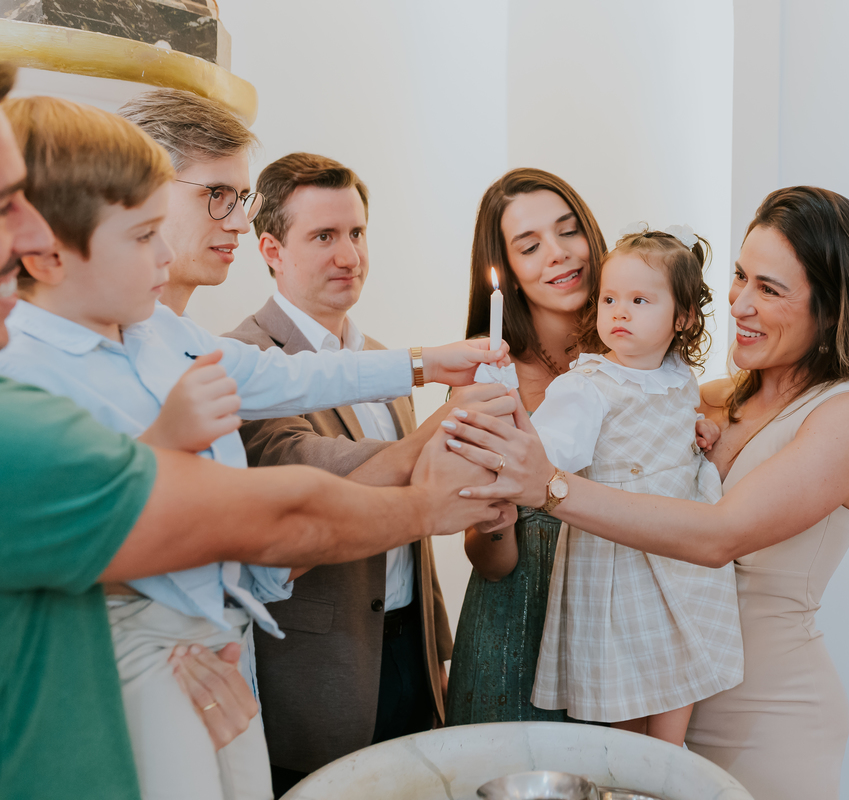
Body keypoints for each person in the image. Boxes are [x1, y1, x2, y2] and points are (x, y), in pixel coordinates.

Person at [0, 69, 506, 800]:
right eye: (215, 198)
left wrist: (426, 365)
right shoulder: (32, 378)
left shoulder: (159, 332)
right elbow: (257, 512)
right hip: (150, 657)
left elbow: (289, 379)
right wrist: (431, 494)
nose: (228, 223)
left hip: (217, 642)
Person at [442, 186, 849, 800]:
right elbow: (629, 418)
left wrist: (549, 485)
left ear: (831, 309)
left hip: (764, 720)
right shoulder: (712, 395)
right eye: (740, 277)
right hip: (656, 694)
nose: (739, 302)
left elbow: (718, 537)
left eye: (769, 289)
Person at [224, 152, 467, 797]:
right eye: (324, 237)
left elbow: (412, 531)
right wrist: (448, 428)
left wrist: (433, 648)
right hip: (317, 676)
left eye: (356, 233)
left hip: (408, 657)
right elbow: (314, 482)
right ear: (271, 249)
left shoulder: (383, 362)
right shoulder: (245, 361)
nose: (348, 255)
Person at [524, 224, 742, 744]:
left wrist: (699, 431)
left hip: (681, 552)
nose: (619, 312)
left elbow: (675, 430)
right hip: (618, 557)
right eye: (609, 298)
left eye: (640, 300)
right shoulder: (586, 386)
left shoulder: (679, 376)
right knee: (625, 708)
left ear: (682, 317)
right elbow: (543, 457)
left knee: (680, 673)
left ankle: (670, 760)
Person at [445, 168, 607, 726]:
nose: (559, 255)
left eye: (569, 232)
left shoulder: (640, 363)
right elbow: (492, 563)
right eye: (530, 246)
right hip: (514, 637)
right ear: (507, 274)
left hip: (618, 641)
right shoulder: (485, 383)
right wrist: (496, 517)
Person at [118, 88, 260, 316]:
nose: (242, 226)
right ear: (139, 193)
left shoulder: (190, 341)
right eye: (216, 195)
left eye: (241, 198)